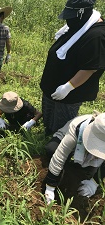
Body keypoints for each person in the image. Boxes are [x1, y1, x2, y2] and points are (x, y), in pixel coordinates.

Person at [39, 0, 105, 136]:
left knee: (60, 126)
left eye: (71, 16)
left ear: (81, 13)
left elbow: (90, 68)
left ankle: (57, 144)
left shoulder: (96, 35)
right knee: (49, 120)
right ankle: (48, 133)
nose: (68, 20)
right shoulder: (80, 25)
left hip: (70, 94)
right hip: (53, 86)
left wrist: (68, 87)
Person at [43, 113, 105, 204]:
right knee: (51, 150)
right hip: (68, 136)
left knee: (88, 173)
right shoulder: (77, 128)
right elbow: (60, 156)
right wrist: (50, 186)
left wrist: (94, 183)